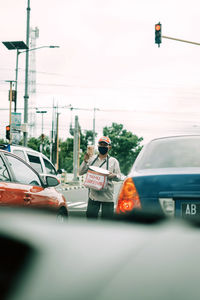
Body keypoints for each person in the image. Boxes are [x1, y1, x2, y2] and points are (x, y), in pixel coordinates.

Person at [79, 136, 121, 219]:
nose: (102, 147)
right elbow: (80, 172)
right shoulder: (91, 159)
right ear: (98, 146)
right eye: (100, 144)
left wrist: (114, 175)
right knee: (91, 220)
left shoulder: (113, 161)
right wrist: (85, 161)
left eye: (105, 145)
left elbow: (119, 177)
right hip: (93, 197)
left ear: (109, 147)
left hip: (108, 198)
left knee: (106, 223)